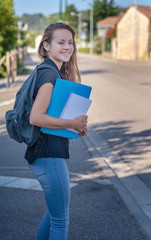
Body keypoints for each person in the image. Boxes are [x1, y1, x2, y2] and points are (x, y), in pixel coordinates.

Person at [25, 22, 89, 240]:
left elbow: (49, 116)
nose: (67, 47)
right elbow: (36, 117)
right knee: (60, 221)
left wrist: (73, 126)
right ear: (46, 45)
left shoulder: (50, 71)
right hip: (48, 156)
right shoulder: (49, 75)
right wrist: (72, 123)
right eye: (60, 42)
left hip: (45, 153)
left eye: (70, 42)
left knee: (55, 215)